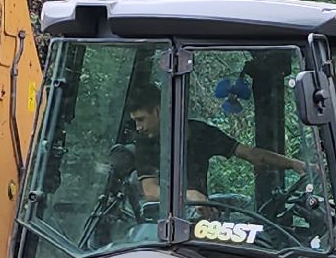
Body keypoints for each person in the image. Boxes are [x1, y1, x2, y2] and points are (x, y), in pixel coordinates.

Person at [118, 83, 305, 204]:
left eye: (141, 119)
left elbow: (251, 154)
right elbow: (150, 191)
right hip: (157, 225)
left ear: (158, 111)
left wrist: (294, 164)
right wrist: (188, 195)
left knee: (243, 208)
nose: (139, 127)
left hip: (201, 215)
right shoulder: (144, 143)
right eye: (135, 121)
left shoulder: (201, 133)